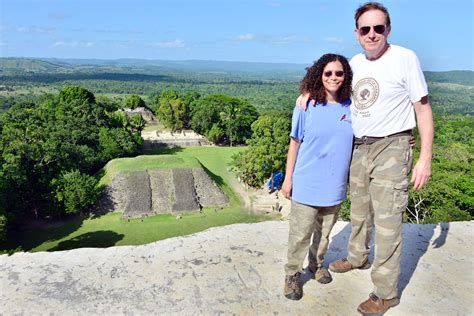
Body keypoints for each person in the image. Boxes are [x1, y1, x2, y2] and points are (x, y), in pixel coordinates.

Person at [296, 2, 434, 315]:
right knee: (358, 208)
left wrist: (424, 156)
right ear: (357, 33)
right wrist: (306, 91)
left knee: (387, 221)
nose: (372, 34)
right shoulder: (356, 62)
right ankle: (358, 256)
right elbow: (331, 84)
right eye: (365, 29)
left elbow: (422, 108)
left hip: (392, 147)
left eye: (378, 28)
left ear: (388, 30)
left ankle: (385, 292)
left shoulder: (404, 58)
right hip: (359, 146)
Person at [281, 53, 354, 300]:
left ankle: (316, 264)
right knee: (300, 234)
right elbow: (294, 143)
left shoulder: (352, 107)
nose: (334, 77)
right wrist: (288, 178)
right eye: (328, 73)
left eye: (339, 73)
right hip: (306, 182)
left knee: (324, 234)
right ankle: (292, 274)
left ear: (346, 77)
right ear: (319, 76)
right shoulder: (306, 105)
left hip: (334, 185)